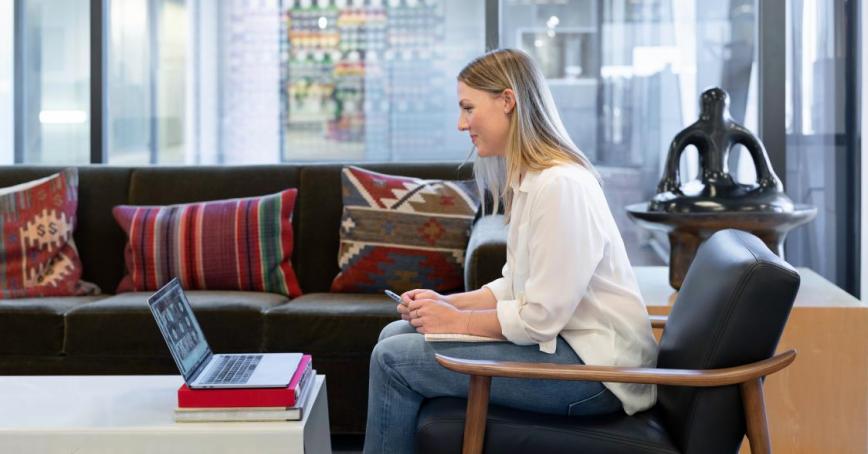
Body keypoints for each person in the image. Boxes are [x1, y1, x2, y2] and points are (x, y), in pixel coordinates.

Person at [363, 48, 659, 453]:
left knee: (392, 359)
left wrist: (456, 321)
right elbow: (515, 285)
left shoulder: (561, 186)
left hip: (598, 375)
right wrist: (447, 305)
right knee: (395, 332)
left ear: (507, 100)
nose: (461, 123)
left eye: (469, 108)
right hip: (571, 352)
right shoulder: (533, 180)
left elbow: (539, 317)